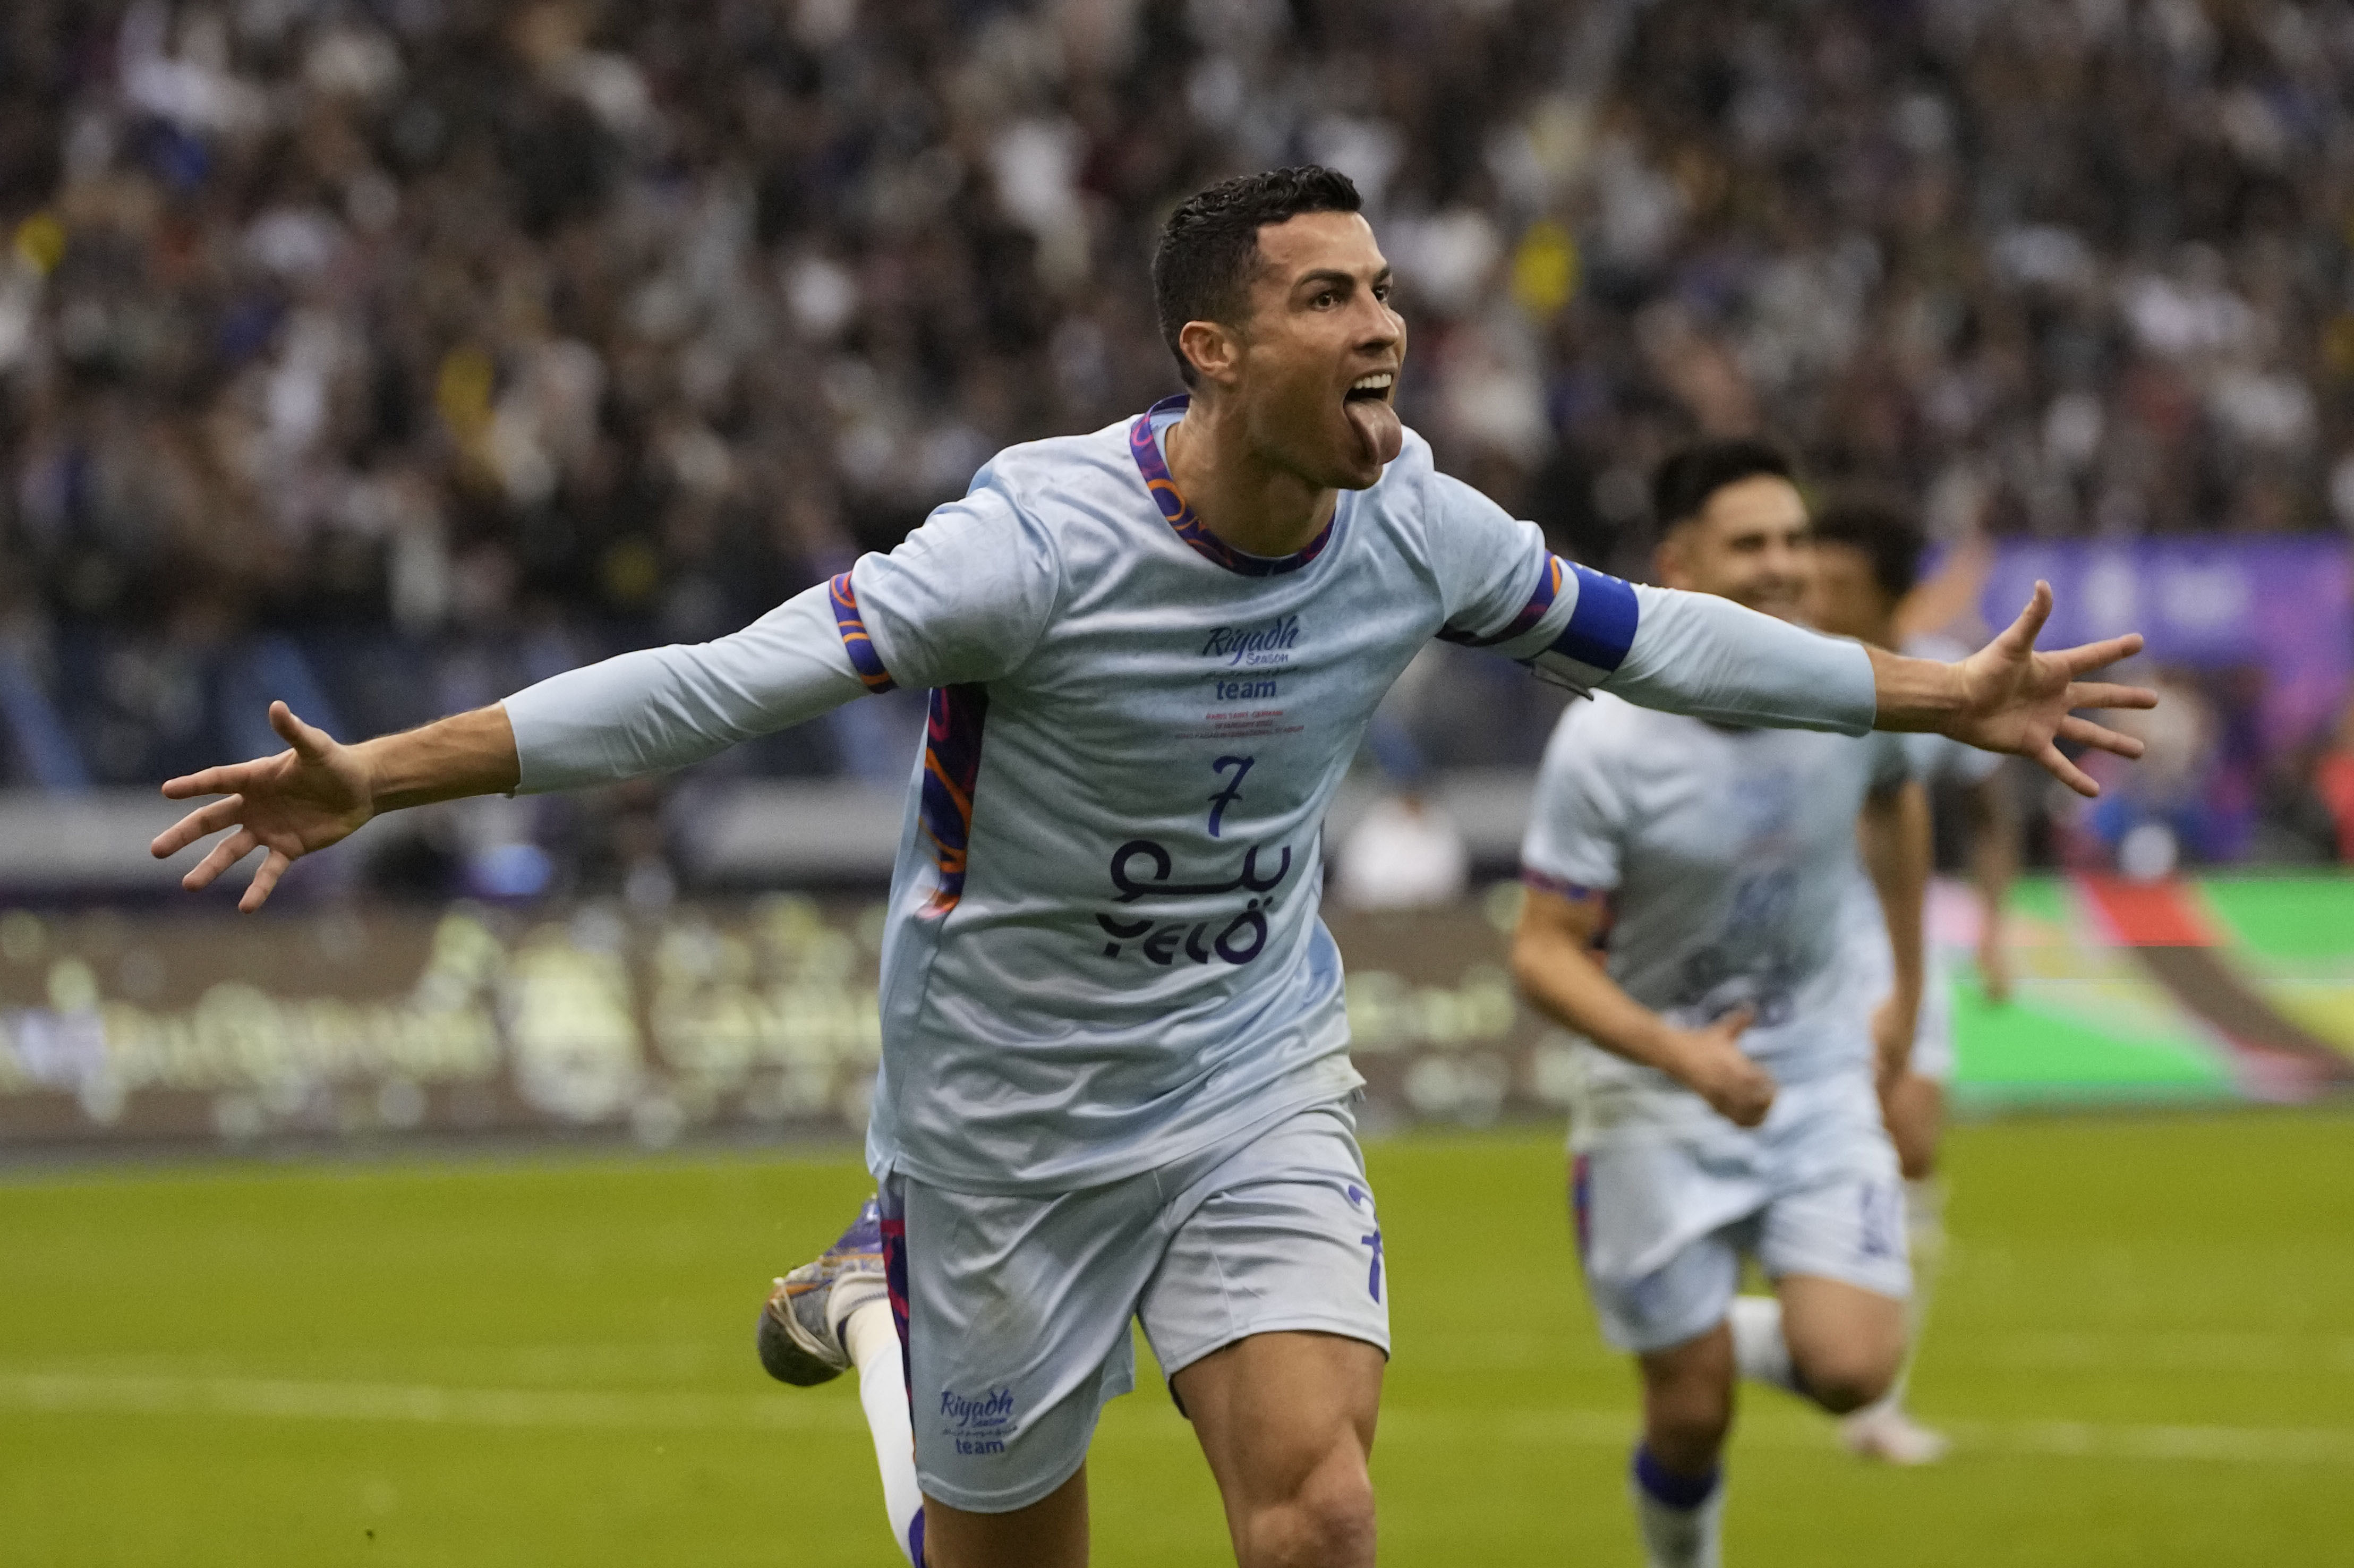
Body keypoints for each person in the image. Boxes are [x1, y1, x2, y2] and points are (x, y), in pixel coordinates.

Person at [148, 168, 2153, 1568]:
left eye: (1383, 293)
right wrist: (386, 777)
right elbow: (713, 685)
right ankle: (884, 1307)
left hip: (1248, 1077)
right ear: (1211, 347)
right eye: (1329, 299)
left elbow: (1663, 634)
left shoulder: (1420, 524)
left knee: (1322, 1510)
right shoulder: (1025, 548)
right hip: (1002, 1113)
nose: (1384, 330)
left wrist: (1929, 693)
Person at [1511, 440, 1938, 1568]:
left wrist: (1903, 988)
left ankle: (1703, 1332)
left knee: (1855, 1369)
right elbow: (1541, 956)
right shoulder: (1605, 740)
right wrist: (1679, 1055)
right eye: (1749, 545)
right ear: (1679, 568)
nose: (1782, 566)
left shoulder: (1847, 690)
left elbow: (1898, 802)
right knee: (1690, 1414)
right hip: (1653, 1096)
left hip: (1811, 1079)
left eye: (1794, 541)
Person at [1803, 495, 2023, 1465]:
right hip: (1793, 946)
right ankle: (1799, 1312)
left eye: (1839, 583)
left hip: (1897, 938)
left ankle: (1876, 1396)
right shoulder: (1786, 666)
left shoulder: (1941, 680)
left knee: (1914, 1142)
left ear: (1888, 595)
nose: (1817, 595)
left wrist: (1998, 929)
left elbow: (1988, 809)